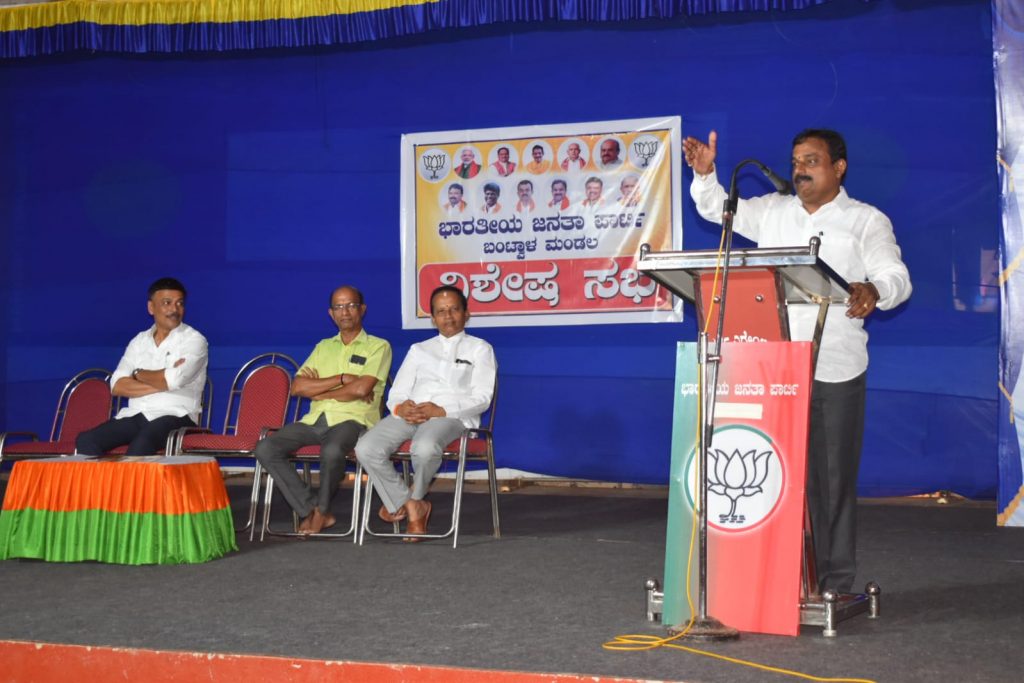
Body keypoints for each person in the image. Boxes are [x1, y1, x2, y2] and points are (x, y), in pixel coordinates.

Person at [683, 128, 912, 593]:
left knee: (830, 482)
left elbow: (896, 276)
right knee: (769, 473)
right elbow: (717, 209)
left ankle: (832, 584)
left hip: (834, 367)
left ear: (839, 168)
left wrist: (875, 289)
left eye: (811, 160)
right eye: (795, 161)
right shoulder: (773, 211)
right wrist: (706, 175)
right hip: (772, 368)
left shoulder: (865, 220)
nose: (800, 169)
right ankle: (774, 582)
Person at [356, 285, 497, 541]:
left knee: (424, 447)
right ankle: (413, 505)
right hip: (411, 415)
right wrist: (401, 407)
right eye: (441, 311)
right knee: (366, 447)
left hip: (452, 417)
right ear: (433, 318)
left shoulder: (480, 349)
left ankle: (413, 499)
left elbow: (482, 398)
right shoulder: (419, 349)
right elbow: (397, 392)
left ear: (466, 313)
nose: (448, 316)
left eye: (454, 309)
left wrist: (441, 410)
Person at [254, 286, 392, 536]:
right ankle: (311, 509)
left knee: (332, 450)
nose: (345, 312)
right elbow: (298, 387)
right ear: (331, 313)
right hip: (315, 420)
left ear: (362, 309)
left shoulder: (378, 346)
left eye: (351, 305)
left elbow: (362, 389)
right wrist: (341, 378)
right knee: (266, 447)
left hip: (354, 419)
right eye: (338, 307)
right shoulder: (323, 347)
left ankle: (322, 510)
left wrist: (320, 391)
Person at [76, 277, 207, 456]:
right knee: (87, 440)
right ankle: (106, 477)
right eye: (167, 303)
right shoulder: (139, 341)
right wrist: (164, 382)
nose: (174, 309)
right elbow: (117, 385)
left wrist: (137, 374)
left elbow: (174, 379)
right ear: (151, 307)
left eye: (180, 303)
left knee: (142, 442)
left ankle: (131, 477)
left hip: (177, 415)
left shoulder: (194, 340)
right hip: (136, 414)